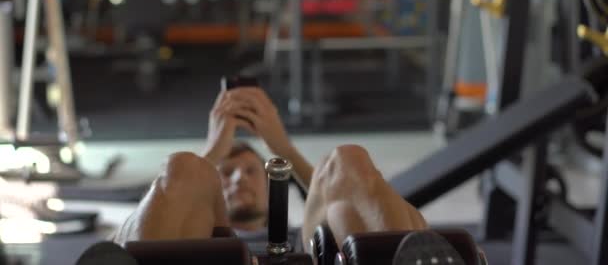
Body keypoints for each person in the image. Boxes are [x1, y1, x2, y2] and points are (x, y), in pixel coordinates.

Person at [112, 86, 428, 254]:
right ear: (209, 196)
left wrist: (284, 149)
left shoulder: (312, 238)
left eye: (251, 171)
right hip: (203, 258)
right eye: (226, 173)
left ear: (271, 186)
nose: (238, 178)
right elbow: (133, 233)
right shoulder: (193, 228)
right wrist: (211, 152)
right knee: (181, 167)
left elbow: (332, 183)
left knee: (347, 161)